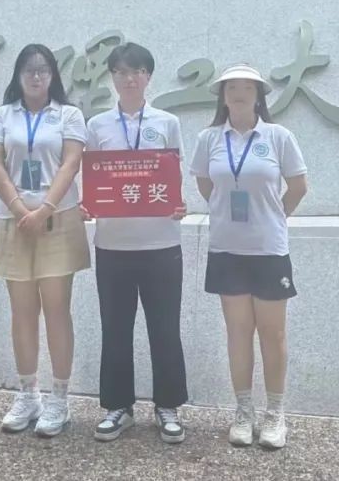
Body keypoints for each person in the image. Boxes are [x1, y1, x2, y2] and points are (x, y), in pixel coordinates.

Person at [189, 64, 308, 450]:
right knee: (238, 332)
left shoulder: (278, 136)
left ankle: (275, 413)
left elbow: (298, 185)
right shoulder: (209, 139)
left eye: (247, 87)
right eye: (232, 87)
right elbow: (205, 183)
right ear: (222, 96)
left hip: (269, 250)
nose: (239, 93)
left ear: (259, 95)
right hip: (227, 249)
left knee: (273, 333)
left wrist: (275, 215)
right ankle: (243, 411)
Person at [84, 43, 189, 444]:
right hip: (112, 245)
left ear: (148, 77)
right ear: (112, 77)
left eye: (138, 71)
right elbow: (93, 179)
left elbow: (174, 176)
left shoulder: (167, 122)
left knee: (165, 328)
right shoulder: (98, 125)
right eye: (122, 72)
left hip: (162, 243)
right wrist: (88, 204)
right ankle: (118, 407)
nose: (130, 78)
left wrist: (179, 203)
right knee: (115, 328)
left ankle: (168, 406)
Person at [0, 44, 90, 437]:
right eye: (29, 69)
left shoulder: (69, 115)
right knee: (22, 311)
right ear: (18, 74)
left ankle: (59, 398)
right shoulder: (2, 115)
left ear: (53, 75)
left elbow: (72, 163)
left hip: (57, 220)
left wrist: (44, 209)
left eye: (43, 69)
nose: (36, 76)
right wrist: (18, 208)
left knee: (57, 309)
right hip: (13, 222)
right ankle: (28, 394)